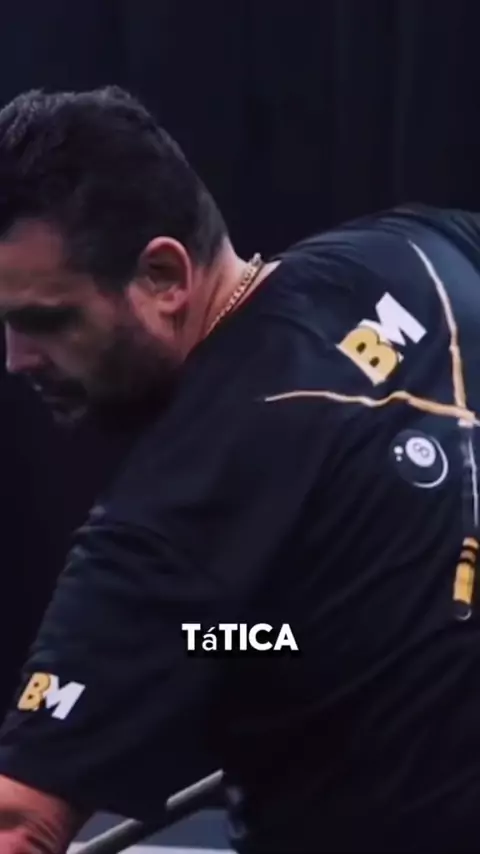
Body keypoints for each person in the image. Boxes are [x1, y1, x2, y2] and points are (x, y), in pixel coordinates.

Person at [0, 86, 480, 854]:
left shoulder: (173, 514)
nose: (17, 359)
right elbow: (275, 637)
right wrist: (251, 641)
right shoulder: (418, 250)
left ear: (164, 276)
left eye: (46, 320)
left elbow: (19, 824)